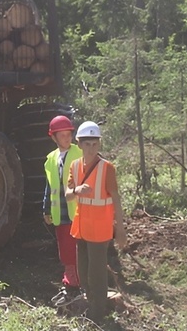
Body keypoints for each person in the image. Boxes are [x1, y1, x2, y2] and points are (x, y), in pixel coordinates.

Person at [65, 120, 126, 324]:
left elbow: (116, 199)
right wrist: (76, 191)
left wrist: (121, 229)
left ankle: (98, 314)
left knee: (97, 274)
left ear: (99, 144)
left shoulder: (107, 168)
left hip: (99, 230)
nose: (91, 148)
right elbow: (67, 195)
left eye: (94, 144)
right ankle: (93, 304)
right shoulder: (74, 166)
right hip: (81, 228)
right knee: (83, 273)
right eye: (87, 144)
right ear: (79, 144)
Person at [42, 115, 83, 307]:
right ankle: (71, 283)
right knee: (65, 249)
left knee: (78, 248)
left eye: (69, 134)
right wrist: (46, 208)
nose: (67, 138)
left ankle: (78, 284)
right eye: (63, 135)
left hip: (78, 212)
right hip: (60, 212)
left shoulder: (79, 154)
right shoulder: (51, 158)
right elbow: (49, 186)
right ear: (54, 137)